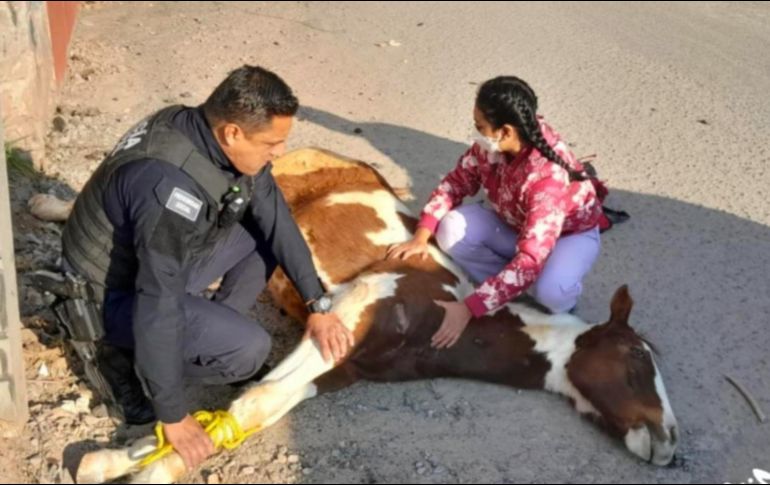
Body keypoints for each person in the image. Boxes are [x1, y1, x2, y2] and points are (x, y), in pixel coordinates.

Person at [61, 65, 354, 470]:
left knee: (261, 236)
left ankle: (206, 335)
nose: (280, 152)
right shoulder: (166, 188)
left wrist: (317, 303)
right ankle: (118, 357)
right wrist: (173, 414)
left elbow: (276, 218)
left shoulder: (201, 129)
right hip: (110, 296)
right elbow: (157, 300)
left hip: (155, 263)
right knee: (249, 351)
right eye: (272, 143)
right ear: (232, 133)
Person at [388, 76, 606, 349]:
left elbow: (531, 258)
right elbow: (455, 183)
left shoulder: (547, 179)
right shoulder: (494, 145)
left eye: (480, 126)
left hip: (568, 237)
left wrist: (468, 308)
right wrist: (421, 235)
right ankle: (509, 289)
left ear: (505, 132)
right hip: (516, 225)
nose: (476, 133)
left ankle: (553, 303)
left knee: (552, 291)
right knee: (450, 229)